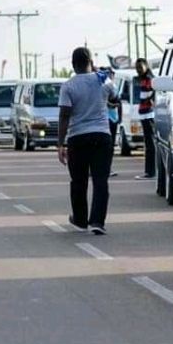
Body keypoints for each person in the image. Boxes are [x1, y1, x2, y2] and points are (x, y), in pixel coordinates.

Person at [57, 48, 118, 235]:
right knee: (101, 180)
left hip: (78, 137)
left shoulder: (68, 86)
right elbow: (115, 97)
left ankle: (81, 220)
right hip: (102, 136)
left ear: (73, 65)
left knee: (78, 181)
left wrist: (61, 144)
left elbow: (64, 115)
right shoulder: (102, 79)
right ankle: (98, 221)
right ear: (90, 62)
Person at [134, 58, 156, 180]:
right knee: (148, 144)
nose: (138, 70)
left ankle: (150, 172)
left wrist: (151, 100)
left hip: (148, 114)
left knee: (150, 144)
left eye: (140, 68)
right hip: (144, 114)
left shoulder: (149, 79)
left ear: (146, 66)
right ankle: (149, 171)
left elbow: (155, 93)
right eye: (137, 68)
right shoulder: (143, 79)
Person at [102, 67, 121, 178]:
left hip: (113, 118)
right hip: (106, 118)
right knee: (106, 146)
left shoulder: (114, 86)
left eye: (112, 74)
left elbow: (118, 102)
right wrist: (111, 104)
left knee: (110, 146)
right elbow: (107, 102)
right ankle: (105, 168)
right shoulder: (105, 87)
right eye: (108, 74)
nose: (111, 76)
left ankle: (107, 168)